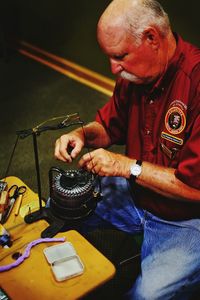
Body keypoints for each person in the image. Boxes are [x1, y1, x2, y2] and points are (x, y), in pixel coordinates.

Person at [54, 0, 200, 299]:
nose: (113, 68)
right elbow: (109, 127)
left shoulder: (195, 83)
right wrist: (81, 134)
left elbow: (195, 189)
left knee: (146, 295)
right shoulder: (135, 74)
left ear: (152, 38)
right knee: (58, 206)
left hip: (186, 218)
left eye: (120, 56)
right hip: (138, 194)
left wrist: (125, 166)